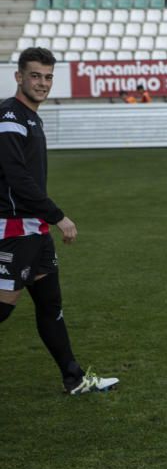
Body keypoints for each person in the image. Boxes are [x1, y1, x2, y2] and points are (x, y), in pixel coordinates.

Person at [0, 48, 119, 395]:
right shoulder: (10, 116)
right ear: (19, 77)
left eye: (48, 76)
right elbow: (17, 177)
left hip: (35, 229)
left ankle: (74, 378)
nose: (42, 83)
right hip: (14, 227)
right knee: (4, 308)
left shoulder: (31, 118)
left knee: (50, 306)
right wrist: (58, 216)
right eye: (35, 75)